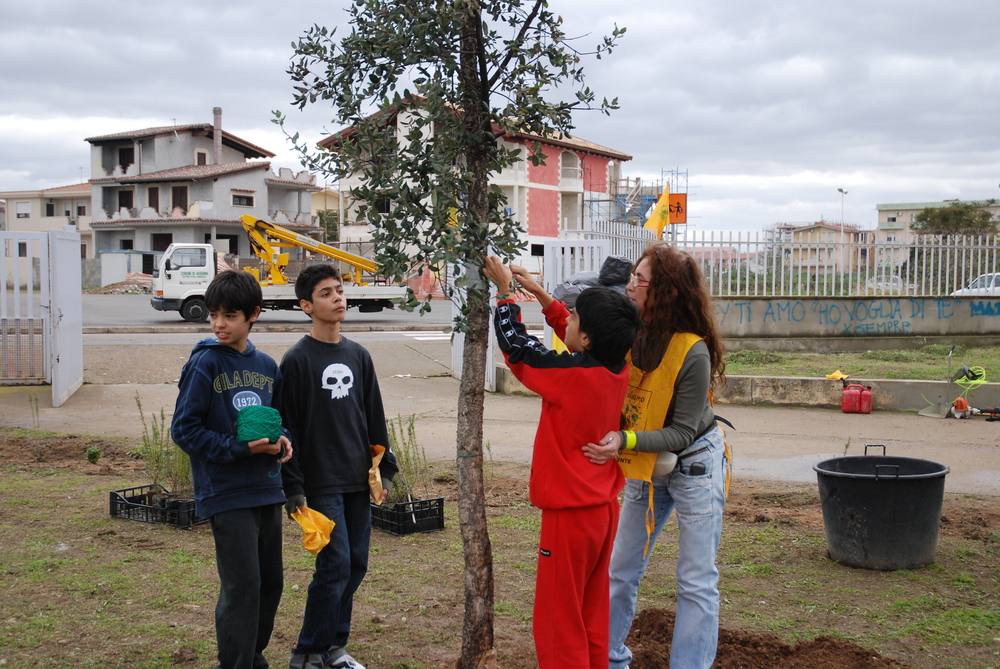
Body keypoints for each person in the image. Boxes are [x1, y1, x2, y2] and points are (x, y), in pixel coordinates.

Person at [482, 256, 640, 669]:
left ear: (585, 337)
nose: (566, 319)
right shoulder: (615, 368)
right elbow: (575, 340)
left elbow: (520, 351)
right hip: (602, 510)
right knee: (590, 614)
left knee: (558, 620)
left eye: (574, 317)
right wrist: (540, 294)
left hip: (570, 517)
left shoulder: (573, 376)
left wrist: (505, 295)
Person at [582, 243, 729, 669]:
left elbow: (682, 433)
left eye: (639, 279)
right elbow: (582, 332)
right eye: (632, 276)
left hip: (694, 464)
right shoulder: (631, 331)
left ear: (665, 291)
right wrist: (539, 295)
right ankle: (608, 660)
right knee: (621, 568)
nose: (630, 285)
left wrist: (624, 440)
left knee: (696, 580)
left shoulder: (693, 351)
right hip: (648, 464)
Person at [171, 269, 293, 669]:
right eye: (213, 315)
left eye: (229, 316)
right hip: (225, 491)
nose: (218, 324)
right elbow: (184, 430)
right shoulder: (205, 364)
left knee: (270, 583)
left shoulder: (267, 365)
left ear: (253, 314)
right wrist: (240, 448)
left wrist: (283, 440)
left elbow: (278, 420)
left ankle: (252, 657)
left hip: (266, 488)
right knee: (243, 586)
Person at [279, 264, 398, 669]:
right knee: (335, 565)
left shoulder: (358, 355)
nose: (337, 298)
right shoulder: (296, 361)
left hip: (357, 479)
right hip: (320, 482)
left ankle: (334, 648)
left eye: (339, 290)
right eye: (326, 293)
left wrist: (384, 467)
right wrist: (293, 487)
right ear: (306, 306)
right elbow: (287, 429)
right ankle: (307, 652)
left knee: (356, 564)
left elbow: (373, 416)